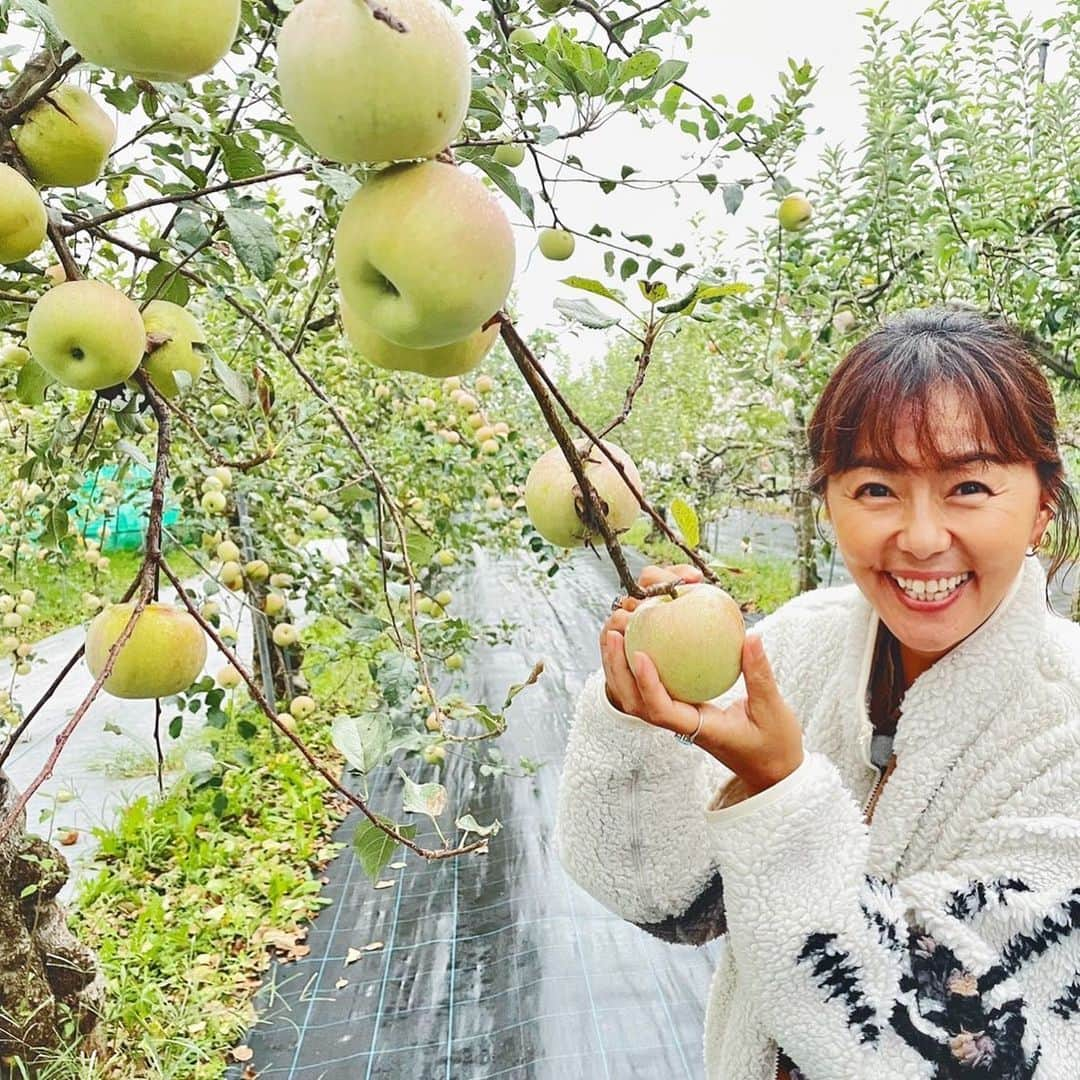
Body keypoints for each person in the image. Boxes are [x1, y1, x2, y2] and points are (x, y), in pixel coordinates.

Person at [554, 306, 1080, 1080]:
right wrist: (635, 726)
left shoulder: (1065, 721)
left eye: (969, 485)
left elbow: (961, 1047)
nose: (922, 536)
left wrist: (779, 791)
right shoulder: (799, 646)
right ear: (828, 500)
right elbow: (668, 898)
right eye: (875, 488)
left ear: (1040, 503)